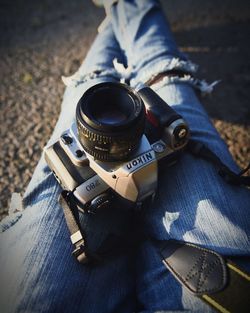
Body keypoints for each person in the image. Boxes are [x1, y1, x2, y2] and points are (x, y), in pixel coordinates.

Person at [0, 1, 249, 312]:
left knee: (89, 85)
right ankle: (126, 7)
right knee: (164, 75)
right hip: (227, 275)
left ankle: (117, 16)